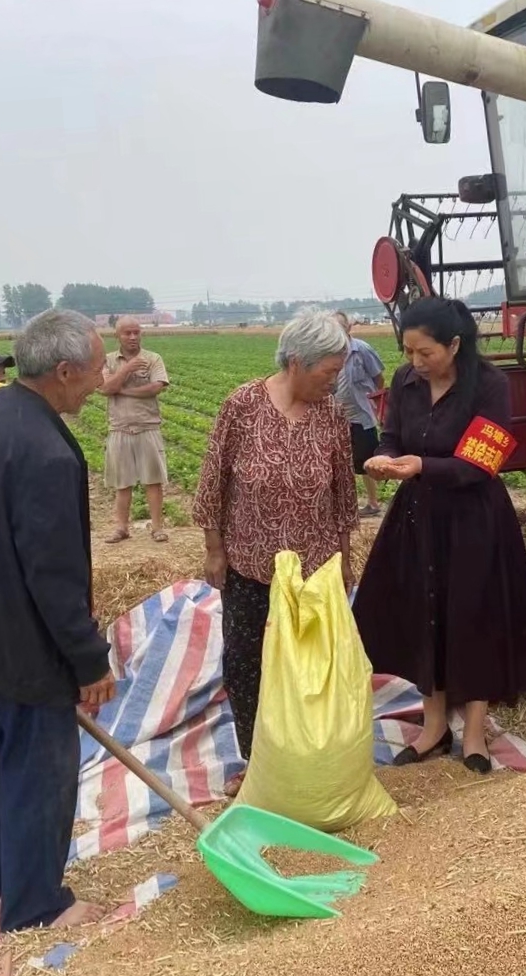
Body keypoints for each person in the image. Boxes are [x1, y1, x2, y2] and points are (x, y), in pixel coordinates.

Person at [0, 309, 116, 932]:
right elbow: (54, 574)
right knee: (41, 771)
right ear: (64, 371)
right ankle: (36, 903)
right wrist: (88, 657)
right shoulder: (44, 451)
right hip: (26, 641)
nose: (101, 381)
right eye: (96, 370)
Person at [354, 297, 526, 775]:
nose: (415, 362)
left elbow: (481, 463)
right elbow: (392, 436)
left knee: (473, 618)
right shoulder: (405, 382)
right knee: (424, 615)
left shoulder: (490, 385)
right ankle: (433, 725)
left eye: (426, 353)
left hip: (474, 519)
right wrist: (384, 457)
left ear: (454, 345)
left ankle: (474, 732)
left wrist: (421, 465)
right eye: (409, 352)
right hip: (418, 516)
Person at [193, 308, 358, 795]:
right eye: (328, 371)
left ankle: (309, 756)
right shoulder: (242, 405)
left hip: (314, 568)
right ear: (296, 362)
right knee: (247, 661)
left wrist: (345, 561)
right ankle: (256, 759)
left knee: (310, 667)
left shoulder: (332, 415)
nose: (334, 381)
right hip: (249, 562)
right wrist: (214, 550)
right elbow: (213, 482)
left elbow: (343, 495)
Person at [100, 317, 170, 543]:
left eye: (136, 332)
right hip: (119, 428)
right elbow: (105, 388)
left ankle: (157, 528)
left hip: (148, 426)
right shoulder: (108, 360)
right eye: (127, 333)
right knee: (122, 482)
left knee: (153, 481)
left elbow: (155, 387)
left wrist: (122, 391)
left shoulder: (153, 359)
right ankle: (121, 527)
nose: (132, 337)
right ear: (117, 336)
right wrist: (127, 369)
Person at [333, 310, 386, 517]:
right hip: (339, 416)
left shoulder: (361, 349)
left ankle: (373, 503)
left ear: (348, 328)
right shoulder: (329, 352)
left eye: (338, 328)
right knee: (342, 461)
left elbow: (379, 379)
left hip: (362, 415)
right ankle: (346, 503)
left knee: (366, 461)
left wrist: (373, 403)